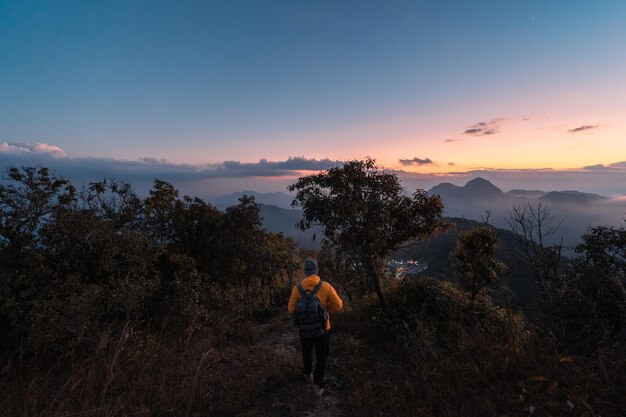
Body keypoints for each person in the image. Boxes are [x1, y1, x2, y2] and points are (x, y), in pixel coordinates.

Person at [288, 258, 343, 397]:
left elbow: (290, 309)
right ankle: (318, 386)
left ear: (305, 272)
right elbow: (339, 305)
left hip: (304, 329)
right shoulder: (326, 286)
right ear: (317, 270)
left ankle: (308, 375)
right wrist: (325, 310)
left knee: (306, 352)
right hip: (322, 329)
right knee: (321, 356)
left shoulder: (297, 288)